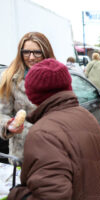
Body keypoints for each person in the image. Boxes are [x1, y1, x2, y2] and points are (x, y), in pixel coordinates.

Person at [8, 58, 100, 200]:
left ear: (32, 95)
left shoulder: (43, 134)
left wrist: (17, 195)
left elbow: (51, 195)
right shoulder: (86, 116)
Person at [0, 32, 55, 161]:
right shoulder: (10, 78)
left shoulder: (56, 77)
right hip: (23, 154)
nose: (31, 57)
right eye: (26, 52)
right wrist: (8, 126)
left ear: (46, 52)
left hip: (53, 149)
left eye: (37, 52)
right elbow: (1, 114)